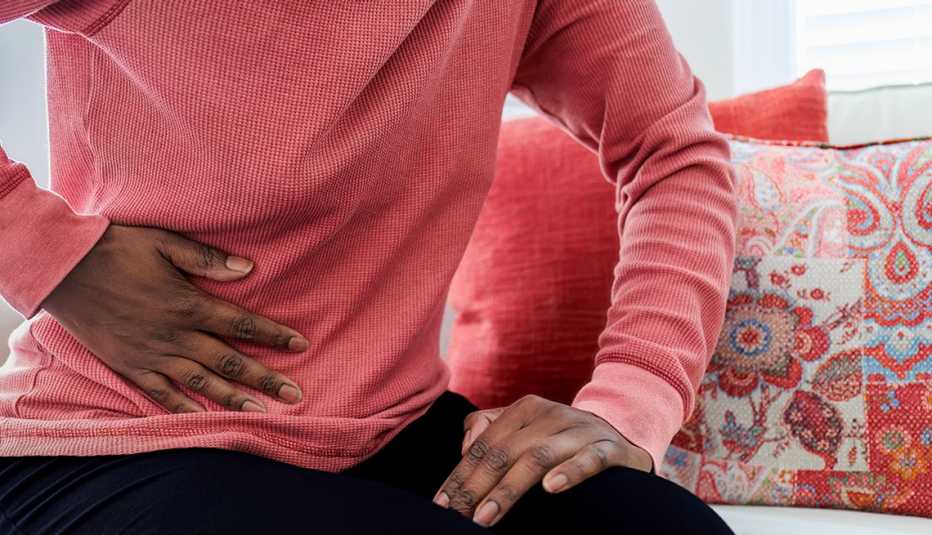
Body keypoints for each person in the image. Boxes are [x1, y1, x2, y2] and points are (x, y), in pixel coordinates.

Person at [0, 1, 737, 533]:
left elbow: (671, 151)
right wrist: (52, 254)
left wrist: (630, 399)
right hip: (111, 442)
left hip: (389, 429)